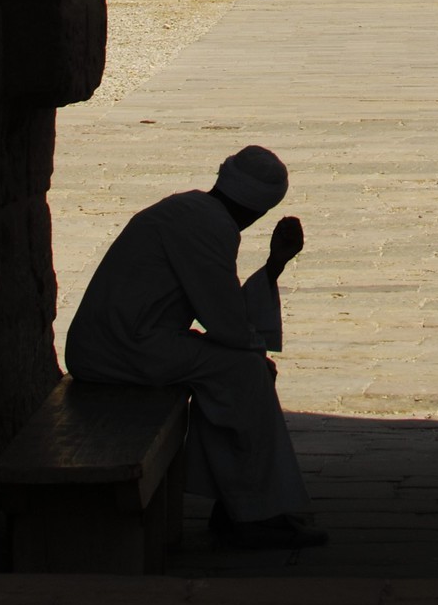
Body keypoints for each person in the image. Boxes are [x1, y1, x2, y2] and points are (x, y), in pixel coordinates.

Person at [65, 144, 325, 552]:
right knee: (246, 374)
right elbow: (226, 321)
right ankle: (252, 512)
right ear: (259, 209)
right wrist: (255, 352)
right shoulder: (210, 228)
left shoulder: (189, 209)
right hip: (122, 348)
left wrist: (273, 267)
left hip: (126, 341)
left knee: (235, 372)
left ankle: (239, 501)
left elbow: (224, 316)